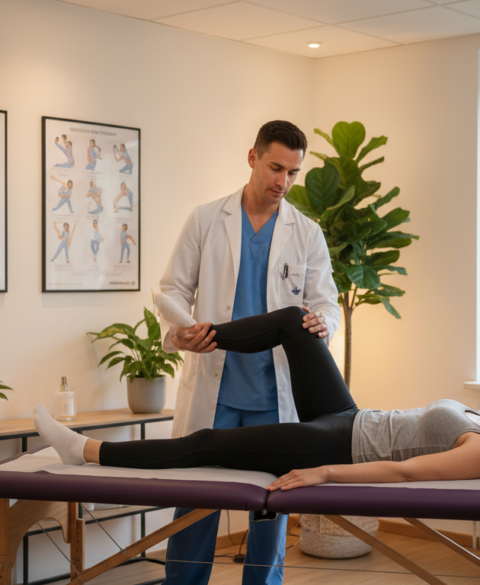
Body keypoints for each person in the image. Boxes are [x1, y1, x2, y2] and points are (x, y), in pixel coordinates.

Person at [33, 305, 480, 487]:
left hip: (336, 446)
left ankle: (84, 451)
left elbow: (405, 473)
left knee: (206, 442)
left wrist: (323, 474)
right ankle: (204, 337)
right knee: (298, 323)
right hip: (349, 415)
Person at [154, 120, 340, 585]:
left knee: (270, 512)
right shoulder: (205, 218)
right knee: (196, 510)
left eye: (293, 173)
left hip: (272, 396)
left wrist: (323, 322)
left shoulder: (307, 233)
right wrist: (179, 334)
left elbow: (325, 303)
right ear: (253, 157)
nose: (284, 182)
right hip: (214, 393)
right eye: (276, 167)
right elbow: (172, 290)